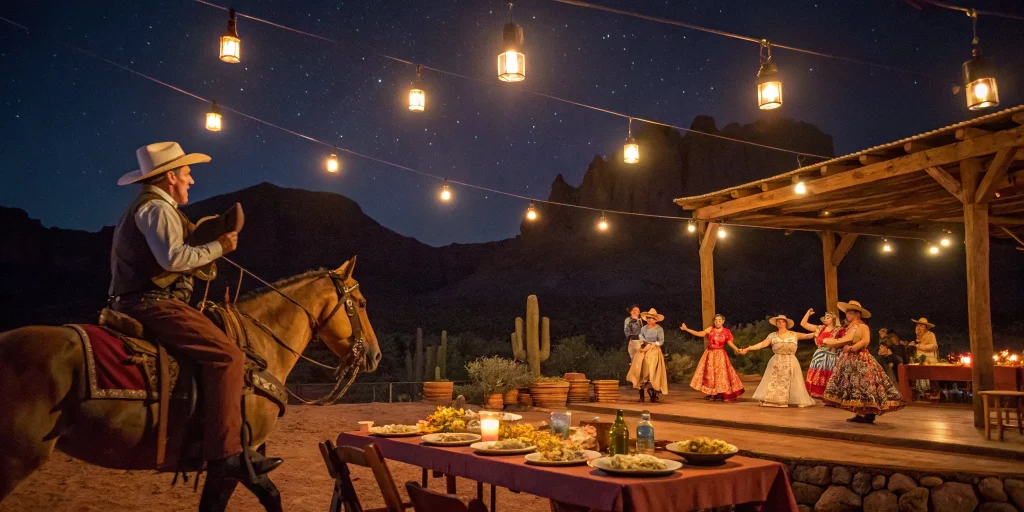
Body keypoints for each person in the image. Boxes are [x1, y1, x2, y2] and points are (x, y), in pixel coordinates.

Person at [108, 142, 282, 480]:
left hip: (145, 298)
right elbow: (173, 259)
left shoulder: (154, 207)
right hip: (150, 301)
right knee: (228, 356)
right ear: (170, 176)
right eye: (187, 174)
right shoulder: (157, 209)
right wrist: (220, 246)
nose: (191, 181)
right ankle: (226, 453)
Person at [822, 300, 904, 424]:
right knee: (854, 386)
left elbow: (865, 340)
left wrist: (851, 347)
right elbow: (845, 339)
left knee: (865, 385)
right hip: (849, 358)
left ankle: (868, 413)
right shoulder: (850, 327)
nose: (847, 315)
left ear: (857, 314)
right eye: (847, 312)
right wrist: (833, 343)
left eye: (850, 312)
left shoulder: (862, 326)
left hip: (860, 358)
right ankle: (859, 412)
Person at [740, 315, 817, 408]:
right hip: (776, 361)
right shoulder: (772, 335)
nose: (780, 323)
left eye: (782, 321)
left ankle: (793, 399)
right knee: (774, 381)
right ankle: (774, 399)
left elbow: (808, 335)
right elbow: (762, 344)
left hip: (790, 360)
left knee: (793, 381)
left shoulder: (793, 334)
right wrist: (749, 348)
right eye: (778, 321)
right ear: (776, 324)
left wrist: (818, 332)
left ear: (786, 323)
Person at [681, 314, 745, 402]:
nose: (717, 322)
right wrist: (687, 329)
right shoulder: (710, 329)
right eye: (716, 320)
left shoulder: (726, 332)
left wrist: (738, 350)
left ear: (723, 321)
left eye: (719, 320)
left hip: (720, 355)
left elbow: (730, 344)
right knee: (710, 375)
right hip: (710, 354)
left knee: (721, 374)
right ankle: (713, 393)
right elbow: (700, 334)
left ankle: (722, 393)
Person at [626, 309, 669, 402]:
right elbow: (641, 337)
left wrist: (652, 344)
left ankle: (654, 391)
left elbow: (661, 341)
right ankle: (641, 392)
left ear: (656, 320)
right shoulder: (644, 328)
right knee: (638, 365)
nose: (650, 320)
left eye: (652, 318)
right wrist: (645, 346)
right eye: (648, 318)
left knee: (652, 367)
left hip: (654, 349)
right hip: (644, 348)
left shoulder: (659, 329)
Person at [800, 308, 842, 399]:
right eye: (825, 317)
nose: (826, 318)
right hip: (819, 355)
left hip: (831, 355)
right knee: (816, 372)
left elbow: (843, 341)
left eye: (828, 317)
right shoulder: (820, 328)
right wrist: (808, 314)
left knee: (828, 374)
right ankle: (814, 392)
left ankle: (827, 394)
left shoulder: (838, 330)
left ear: (833, 319)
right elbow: (803, 324)